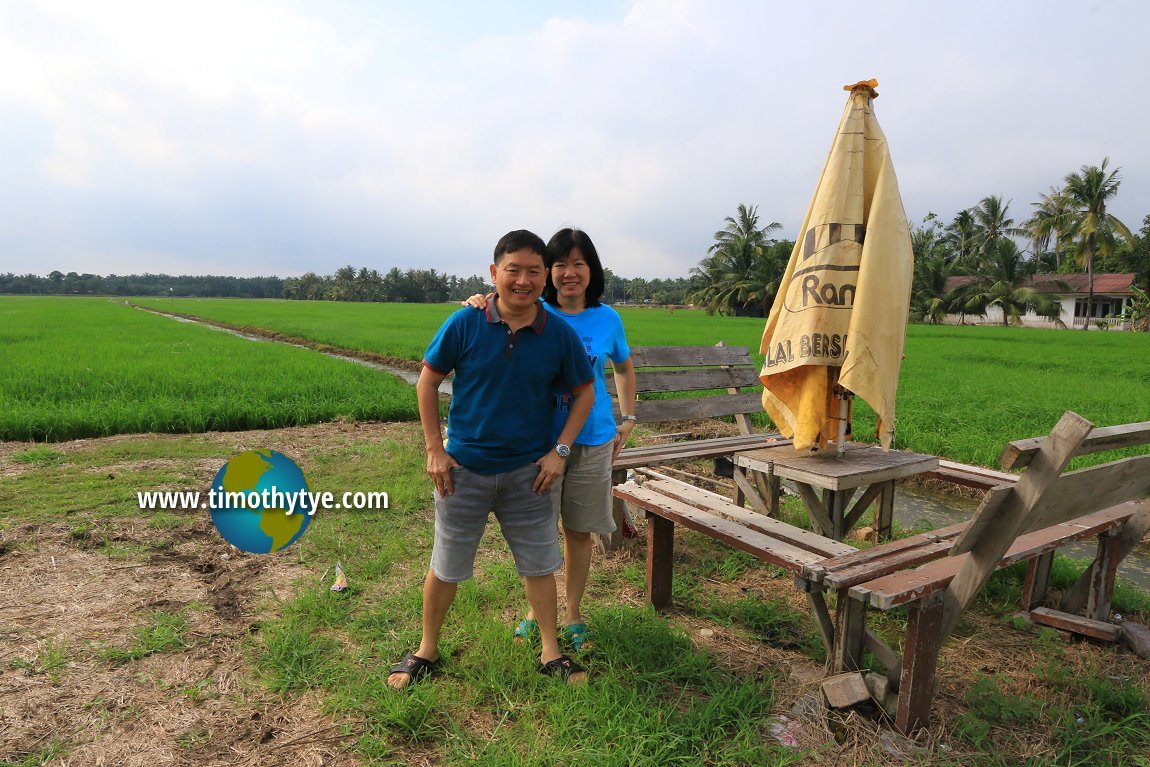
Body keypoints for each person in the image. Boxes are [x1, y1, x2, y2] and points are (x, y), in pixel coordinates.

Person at [387, 230, 595, 690]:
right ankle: (426, 650)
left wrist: (559, 452)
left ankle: (550, 651)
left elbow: (585, 393)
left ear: (545, 277)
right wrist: (434, 450)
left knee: (540, 564)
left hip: (530, 473)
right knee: (446, 564)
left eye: (533, 271)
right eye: (513, 269)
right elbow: (427, 382)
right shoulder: (464, 323)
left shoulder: (557, 332)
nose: (523, 280)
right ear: (494, 273)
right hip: (463, 471)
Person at [466, 227, 636, 654]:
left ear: (591, 270)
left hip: (593, 439)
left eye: (578, 263)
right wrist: (476, 301)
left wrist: (629, 416)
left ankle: (574, 612)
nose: (569, 272)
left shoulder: (607, 319)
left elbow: (624, 367)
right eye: (559, 264)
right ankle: (536, 611)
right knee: (538, 532)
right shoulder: (530, 308)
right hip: (540, 442)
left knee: (578, 531)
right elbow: (491, 315)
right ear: (547, 273)